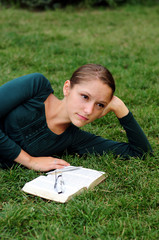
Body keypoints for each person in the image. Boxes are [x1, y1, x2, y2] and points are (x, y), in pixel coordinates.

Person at [0, 64, 152, 171]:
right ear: (67, 88)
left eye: (100, 105)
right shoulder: (36, 86)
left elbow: (141, 152)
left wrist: (121, 109)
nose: (88, 110)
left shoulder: (74, 139)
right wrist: (30, 161)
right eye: (85, 97)